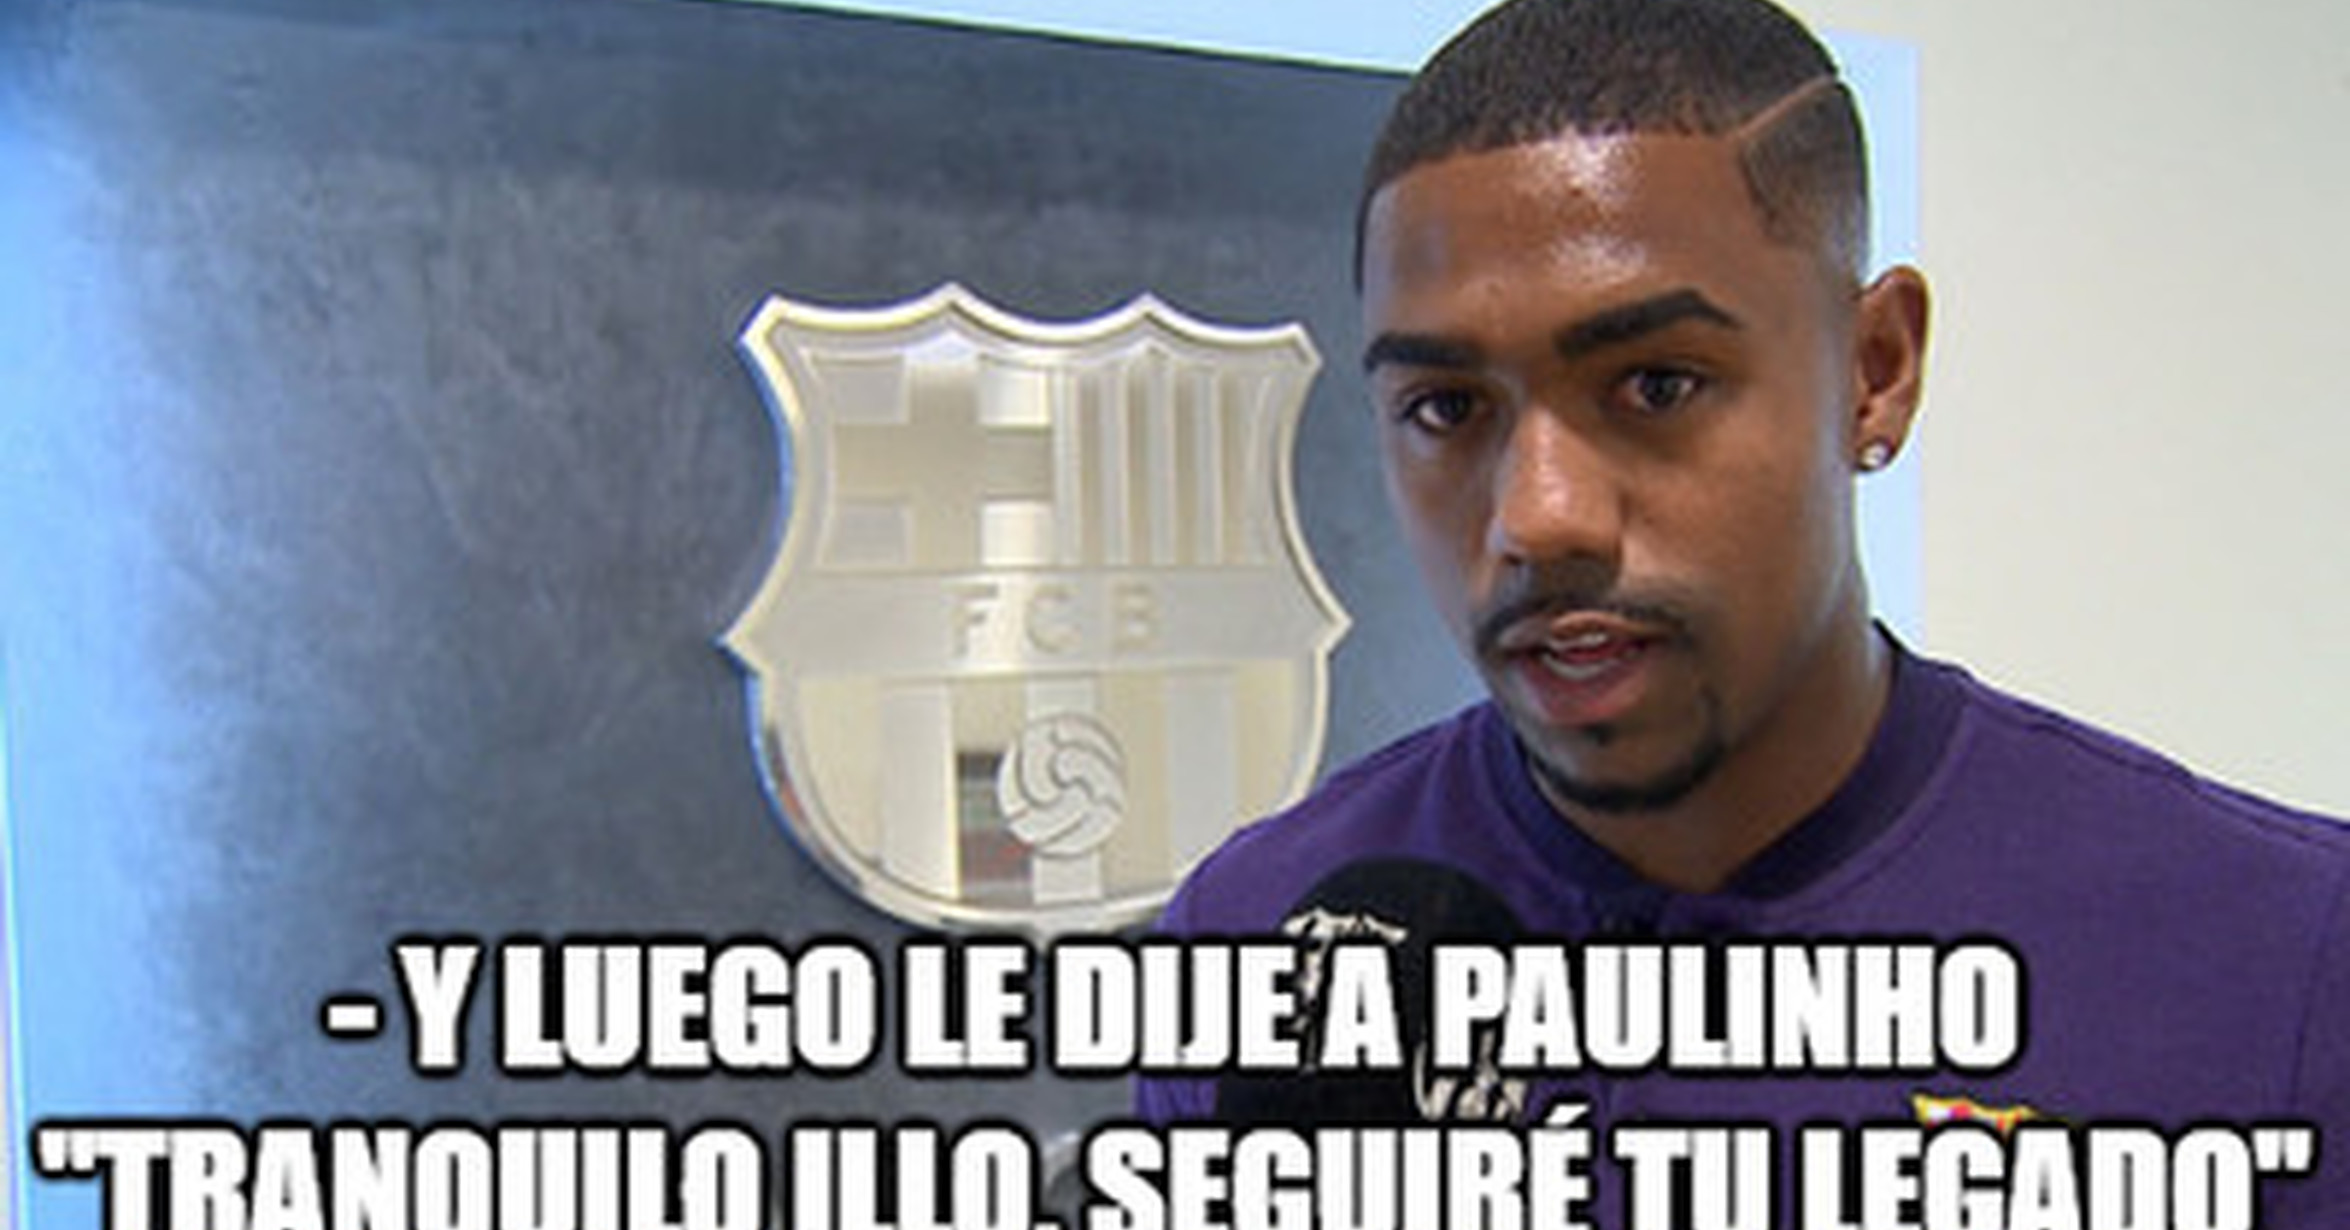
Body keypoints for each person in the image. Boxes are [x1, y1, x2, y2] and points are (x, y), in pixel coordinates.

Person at [1136, 0, 2349, 1222]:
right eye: (1446, 409)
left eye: (1655, 385)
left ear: (1874, 369)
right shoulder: (1251, 940)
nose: (1540, 517)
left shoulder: (2284, 957)